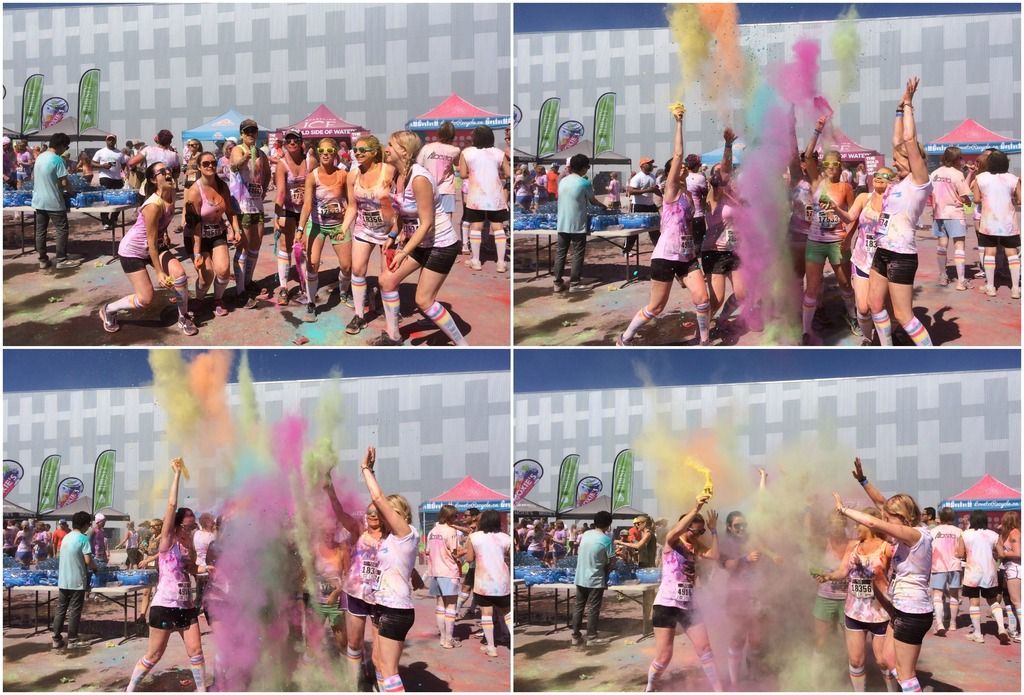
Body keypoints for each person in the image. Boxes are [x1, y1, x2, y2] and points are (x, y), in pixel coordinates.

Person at [837, 457, 934, 692]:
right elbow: (882, 505)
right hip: (901, 609)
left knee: (906, 673)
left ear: (904, 518)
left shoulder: (916, 536)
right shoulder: (906, 532)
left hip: (913, 612)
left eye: (890, 517)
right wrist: (863, 481)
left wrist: (844, 510)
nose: (885, 519)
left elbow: (873, 520)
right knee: (887, 660)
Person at [617, 109, 710, 345]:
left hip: (686, 257)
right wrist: (679, 123)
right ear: (671, 173)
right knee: (656, 307)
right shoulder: (671, 190)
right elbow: (678, 153)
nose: (682, 169)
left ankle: (704, 342)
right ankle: (625, 338)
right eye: (677, 168)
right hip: (665, 256)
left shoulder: (688, 194)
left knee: (702, 299)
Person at [373, 130, 467, 346]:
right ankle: (393, 335)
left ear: (404, 152)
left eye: (390, 145)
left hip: (441, 245)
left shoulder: (419, 178)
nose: (386, 149)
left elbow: (426, 223)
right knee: (387, 280)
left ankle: (462, 345)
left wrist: (404, 251)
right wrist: (393, 235)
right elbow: (402, 213)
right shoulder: (398, 174)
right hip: (421, 243)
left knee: (423, 301)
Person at [126, 458, 206, 692]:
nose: (192, 530)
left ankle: (202, 691)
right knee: (154, 654)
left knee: (196, 651)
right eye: (189, 526)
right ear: (178, 526)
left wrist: (207, 570)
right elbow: (171, 506)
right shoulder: (167, 542)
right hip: (164, 606)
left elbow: (191, 569)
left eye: (194, 527)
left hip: (186, 606)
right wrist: (177, 474)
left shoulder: (187, 546)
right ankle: (130, 689)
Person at [868, 77, 934, 346]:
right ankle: (887, 349)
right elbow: (898, 139)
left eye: (898, 160)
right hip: (882, 250)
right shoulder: (899, 182)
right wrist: (897, 109)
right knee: (875, 305)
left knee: (904, 316)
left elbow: (908, 139)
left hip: (902, 255)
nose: (893, 163)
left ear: (913, 158)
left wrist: (909, 104)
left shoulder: (919, 181)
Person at [100, 161, 197, 336]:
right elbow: (150, 242)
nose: (168, 173)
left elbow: (160, 228)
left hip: (155, 246)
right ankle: (108, 309)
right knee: (145, 299)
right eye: (162, 172)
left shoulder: (172, 193)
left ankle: (183, 317)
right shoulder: (153, 205)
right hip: (133, 252)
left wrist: (165, 233)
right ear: (153, 180)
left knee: (180, 275)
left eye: (168, 170)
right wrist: (159, 273)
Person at [645, 495, 721, 692]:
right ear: (686, 527)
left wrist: (713, 531)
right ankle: (650, 687)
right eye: (697, 530)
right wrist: (697, 507)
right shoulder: (672, 543)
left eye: (702, 530)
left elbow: (715, 555)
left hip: (689, 605)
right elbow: (675, 530)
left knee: (705, 649)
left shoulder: (695, 547)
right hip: (666, 605)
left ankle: (719, 690)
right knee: (664, 656)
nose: (699, 534)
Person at [358, 447, 419, 694]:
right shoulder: (389, 539)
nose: (381, 515)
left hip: (396, 610)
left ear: (401, 514)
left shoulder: (407, 535)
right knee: (378, 663)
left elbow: (379, 498)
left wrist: (366, 470)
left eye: (387, 512)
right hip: (381, 606)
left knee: (390, 669)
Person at [815, 507, 895, 692]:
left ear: (869, 524)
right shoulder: (854, 546)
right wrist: (827, 577)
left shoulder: (887, 547)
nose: (855, 527)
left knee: (883, 660)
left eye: (858, 523)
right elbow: (843, 571)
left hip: (879, 611)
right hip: (854, 611)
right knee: (855, 660)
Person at [801, 117, 858, 344]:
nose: (831, 168)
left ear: (841, 166)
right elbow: (806, 156)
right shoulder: (816, 183)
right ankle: (806, 330)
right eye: (827, 164)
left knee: (844, 282)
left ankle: (852, 315)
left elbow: (853, 216)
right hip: (815, 242)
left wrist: (848, 238)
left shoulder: (846, 187)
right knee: (812, 286)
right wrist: (817, 129)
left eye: (835, 164)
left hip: (837, 241)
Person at [324, 474, 382, 689]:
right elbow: (339, 512)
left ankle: (377, 679)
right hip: (355, 593)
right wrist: (329, 487)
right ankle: (353, 683)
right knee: (354, 642)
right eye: (370, 513)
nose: (373, 515)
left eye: (377, 512)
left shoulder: (390, 536)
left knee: (379, 645)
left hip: (380, 596)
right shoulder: (360, 530)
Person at [830, 166, 895, 343]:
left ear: (892, 181)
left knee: (887, 308)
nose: (879, 178)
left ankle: (889, 340)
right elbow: (850, 217)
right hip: (863, 259)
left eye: (885, 176)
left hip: (886, 260)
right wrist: (835, 208)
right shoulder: (863, 197)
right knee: (864, 307)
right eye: (877, 175)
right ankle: (868, 338)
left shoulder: (896, 202)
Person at [340, 135, 396, 336]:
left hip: (389, 231)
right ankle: (359, 316)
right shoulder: (352, 175)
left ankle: (387, 311)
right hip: (364, 228)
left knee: (386, 278)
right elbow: (352, 207)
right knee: (357, 269)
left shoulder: (388, 170)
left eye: (363, 150)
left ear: (374, 152)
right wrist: (344, 228)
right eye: (356, 149)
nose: (358, 153)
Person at [296, 137, 350, 322]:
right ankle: (311, 303)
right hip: (316, 225)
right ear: (317, 153)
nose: (325, 154)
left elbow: (351, 204)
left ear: (335, 153)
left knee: (346, 266)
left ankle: (344, 292)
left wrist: (346, 225)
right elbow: (307, 205)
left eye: (329, 151)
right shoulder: (312, 176)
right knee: (312, 263)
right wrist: (300, 229)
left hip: (338, 226)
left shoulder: (343, 175)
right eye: (322, 151)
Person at [185, 151, 240, 318]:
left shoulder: (222, 186)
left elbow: (230, 211)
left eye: (213, 163)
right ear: (199, 167)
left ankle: (217, 299)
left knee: (223, 270)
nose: (210, 166)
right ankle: (199, 299)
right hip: (197, 237)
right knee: (206, 275)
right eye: (206, 164)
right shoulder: (195, 191)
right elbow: (194, 225)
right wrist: (196, 253)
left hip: (217, 233)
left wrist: (236, 230)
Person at [228, 119, 272, 308]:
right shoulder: (238, 150)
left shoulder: (261, 153)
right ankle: (240, 291)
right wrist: (245, 158)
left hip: (256, 204)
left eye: (254, 131)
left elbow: (268, 172)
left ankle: (248, 281)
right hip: (242, 204)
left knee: (257, 243)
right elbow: (234, 165)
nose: (251, 134)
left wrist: (263, 188)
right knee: (243, 246)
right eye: (247, 131)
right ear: (241, 134)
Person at [553, 154, 609, 293]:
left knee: (561, 253)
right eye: (588, 167)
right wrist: (604, 206)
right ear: (584, 168)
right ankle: (574, 283)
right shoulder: (584, 182)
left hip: (562, 222)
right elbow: (592, 200)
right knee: (577, 253)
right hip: (577, 223)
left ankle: (557, 282)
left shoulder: (563, 181)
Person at [970, 149, 1021, 299]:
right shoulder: (1013, 178)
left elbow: (977, 200)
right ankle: (1015, 289)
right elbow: (1020, 200)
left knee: (989, 253)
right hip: (1008, 223)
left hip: (989, 222)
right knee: (1012, 254)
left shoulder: (981, 178)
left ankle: (990, 286)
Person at [459, 125, 510, 272]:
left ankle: (476, 260)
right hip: (496, 196)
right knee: (498, 227)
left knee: (476, 226)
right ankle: (501, 262)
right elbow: (507, 173)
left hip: (476, 196)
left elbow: (462, 174)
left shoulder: (467, 153)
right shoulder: (499, 153)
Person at [957, 510, 1011, 644]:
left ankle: (978, 634)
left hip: (972, 573)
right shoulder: (994, 535)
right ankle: (1001, 629)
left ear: (972, 520)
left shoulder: (965, 534)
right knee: (993, 601)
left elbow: (959, 553)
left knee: (974, 603)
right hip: (990, 573)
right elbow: (1001, 554)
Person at [464, 510, 512, 658]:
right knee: (506, 612)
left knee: (486, 614)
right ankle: (511, 641)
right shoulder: (506, 538)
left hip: (483, 582)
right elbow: (511, 558)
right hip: (502, 582)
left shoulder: (474, 537)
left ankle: (491, 647)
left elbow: (469, 558)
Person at [32, 133, 81, 270]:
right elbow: (64, 182)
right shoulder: (57, 160)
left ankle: (42, 259)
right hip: (53, 201)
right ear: (60, 146)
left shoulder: (40, 157)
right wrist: (72, 192)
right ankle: (61, 259)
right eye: (65, 147)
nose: (65, 150)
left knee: (41, 231)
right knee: (61, 229)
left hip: (39, 201)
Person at [51, 511, 97, 650]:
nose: (89, 527)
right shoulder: (83, 539)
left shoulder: (66, 537)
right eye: (89, 524)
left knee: (61, 609)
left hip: (63, 579)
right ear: (84, 525)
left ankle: (56, 638)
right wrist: (96, 569)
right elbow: (88, 560)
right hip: (77, 580)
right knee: (75, 610)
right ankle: (72, 639)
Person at [571, 511, 618, 647]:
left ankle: (575, 636)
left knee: (578, 607)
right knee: (593, 608)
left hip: (580, 577)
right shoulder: (606, 540)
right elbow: (612, 561)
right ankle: (591, 637)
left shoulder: (586, 534)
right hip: (595, 579)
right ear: (608, 524)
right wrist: (608, 569)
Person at [930, 147, 973, 289]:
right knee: (959, 245)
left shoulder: (934, 174)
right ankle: (961, 281)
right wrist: (968, 202)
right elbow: (964, 195)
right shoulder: (957, 174)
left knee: (942, 245)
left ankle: (943, 276)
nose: (962, 161)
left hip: (939, 213)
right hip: (955, 213)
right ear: (956, 159)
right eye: (960, 158)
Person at [810, 512, 853, 655]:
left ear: (845, 525)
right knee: (821, 640)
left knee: (850, 643)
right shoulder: (823, 543)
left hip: (848, 600)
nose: (836, 528)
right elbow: (811, 564)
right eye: (833, 524)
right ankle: (815, 674)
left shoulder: (853, 544)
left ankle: (849, 672)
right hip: (825, 598)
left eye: (839, 524)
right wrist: (817, 573)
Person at [425, 505, 463, 649]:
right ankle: (449, 639)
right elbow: (456, 552)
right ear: (449, 517)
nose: (457, 518)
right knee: (451, 606)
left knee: (440, 606)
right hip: (449, 571)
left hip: (435, 571)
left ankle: (443, 638)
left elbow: (427, 551)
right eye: (455, 516)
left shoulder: (432, 531)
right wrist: (466, 551)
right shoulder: (451, 531)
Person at [416, 121, 461, 236]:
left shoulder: (427, 148)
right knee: (446, 219)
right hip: (446, 189)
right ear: (453, 135)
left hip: (428, 188)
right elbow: (458, 164)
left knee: (427, 218)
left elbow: (418, 165)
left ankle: (429, 241)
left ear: (438, 133)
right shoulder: (455, 150)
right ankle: (446, 241)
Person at [929, 507, 964, 636]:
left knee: (937, 596)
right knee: (954, 596)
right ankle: (953, 623)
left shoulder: (933, 531)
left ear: (940, 517)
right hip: (955, 565)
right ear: (953, 517)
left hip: (938, 566)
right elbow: (961, 552)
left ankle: (939, 623)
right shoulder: (959, 531)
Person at [625, 157, 662, 256]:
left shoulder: (652, 176)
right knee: (634, 229)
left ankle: (659, 250)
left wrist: (663, 195)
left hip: (650, 205)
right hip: (638, 206)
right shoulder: (637, 177)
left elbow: (655, 189)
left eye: (651, 163)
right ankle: (626, 250)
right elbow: (631, 191)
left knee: (654, 228)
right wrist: (647, 191)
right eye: (648, 163)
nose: (650, 165)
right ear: (642, 166)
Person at [93, 134, 129, 230]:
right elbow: (92, 163)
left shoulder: (119, 153)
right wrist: (102, 165)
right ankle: (105, 221)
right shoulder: (100, 152)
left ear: (115, 141)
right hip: (105, 178)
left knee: (119, 200)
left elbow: (123, 164)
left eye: (113, 140)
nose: (111, 142)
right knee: (105, 200)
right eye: (109, 140)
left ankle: (113, 219)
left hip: (117, 179)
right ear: (106, 141)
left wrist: (125, 173)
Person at [996, 512, 1021, 641]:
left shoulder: (1014, 533)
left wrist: (1004, 553)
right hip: (1008, 569)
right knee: (1009, 600)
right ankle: (1013, 628)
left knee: (1017, 601)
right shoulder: (1007, 534)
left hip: (1014, 568)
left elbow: (1018, 553)